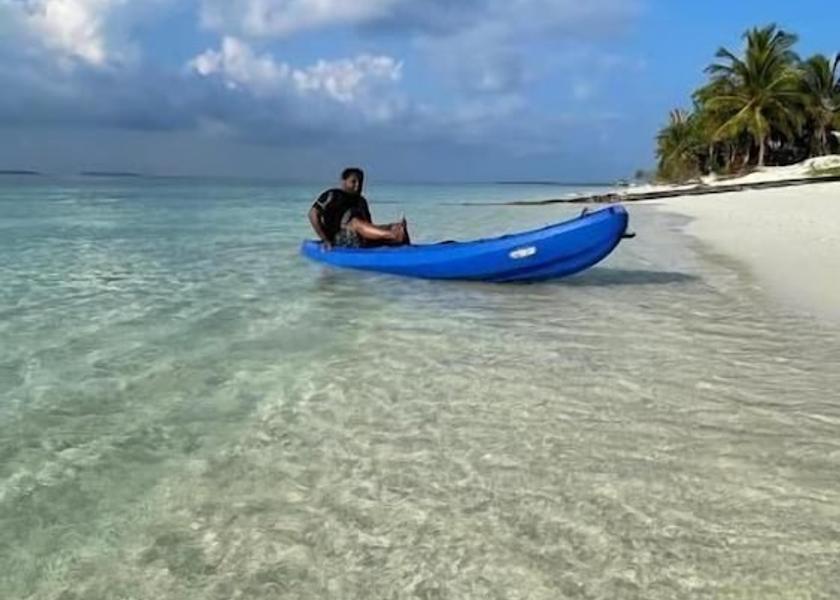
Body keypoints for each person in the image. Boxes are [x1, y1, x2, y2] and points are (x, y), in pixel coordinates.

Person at [308, 168, 410, 249]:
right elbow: (312, 214)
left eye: (360, 182)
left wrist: (391, 227)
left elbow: (368, 225)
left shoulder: (361, 201)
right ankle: (392, 235)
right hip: (339, 240)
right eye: (353, 182)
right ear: (343, 182)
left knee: (396, 226)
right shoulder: (333, 195)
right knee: (355, 222)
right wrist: (325, 240)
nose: (357, 186)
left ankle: (406, 249)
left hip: (359, 239)